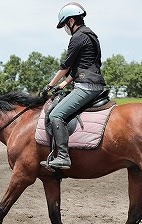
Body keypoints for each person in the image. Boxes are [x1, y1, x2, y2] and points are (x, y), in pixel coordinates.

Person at [41, 2, 106, 169]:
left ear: (70, 21)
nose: (65, 29)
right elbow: (78, 69)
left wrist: (49, 86)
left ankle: (63, 156)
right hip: (92, 83)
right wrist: (61, 85)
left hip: (86, 86)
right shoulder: (91, 36)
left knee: (56, 114)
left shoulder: (77, 37)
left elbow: (66, 66)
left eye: (64, 25)